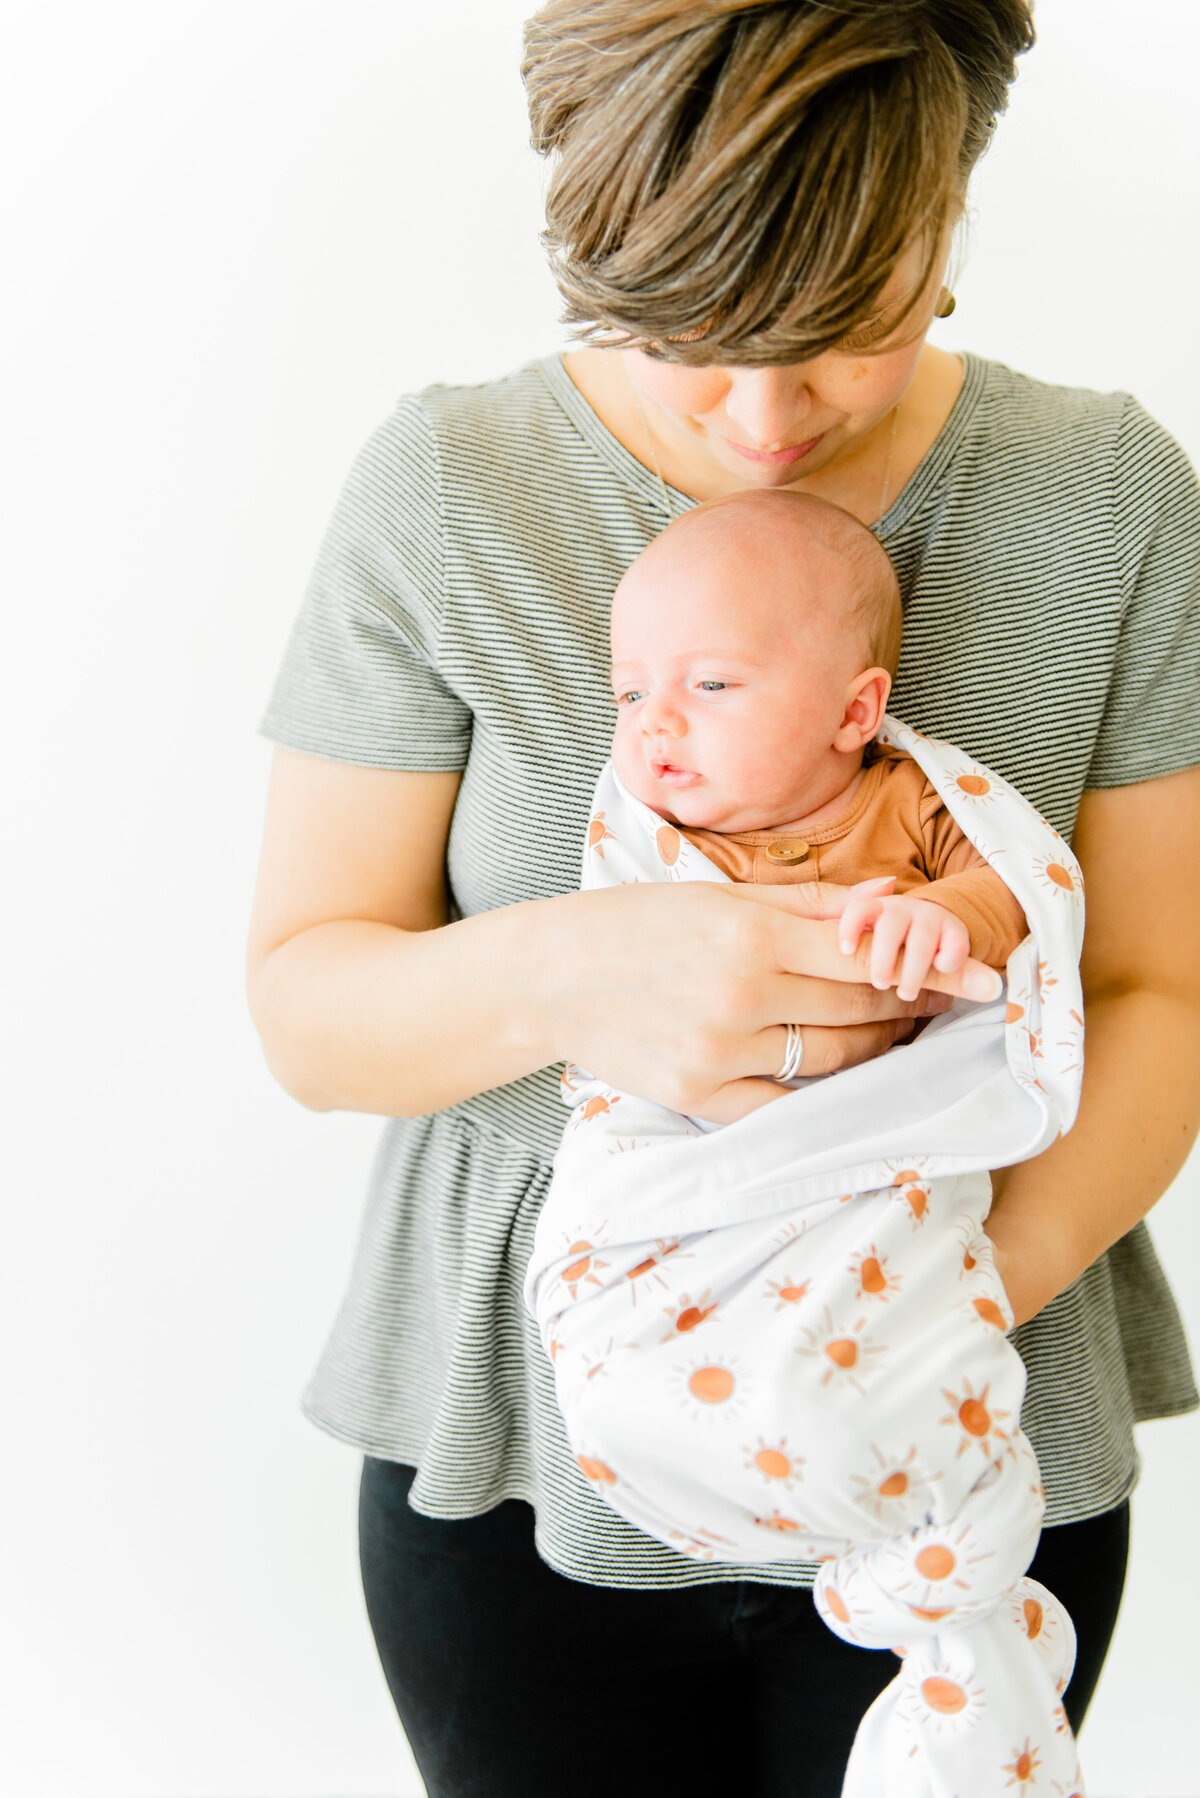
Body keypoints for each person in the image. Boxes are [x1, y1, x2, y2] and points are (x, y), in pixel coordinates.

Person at [244, 4, 1200, 1795]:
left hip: (970, 1423)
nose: (768, 418)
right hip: (525, 1448)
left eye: (854, 321)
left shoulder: (1109, 498)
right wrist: (575, 972)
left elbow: (1165, 988)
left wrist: (912, 1320)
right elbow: (308, 1001)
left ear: (955, 201)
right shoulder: (450, 489)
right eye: (680, 337)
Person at [602, 485, 1025, 1134]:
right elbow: (608, 976)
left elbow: (1018, 888)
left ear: (854, 712)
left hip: (896, 1128)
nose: (653, 720)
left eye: (710, 683)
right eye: (631, 693)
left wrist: (945, 915)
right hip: (706, 1137)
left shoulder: (910, 800)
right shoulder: (657, 846)